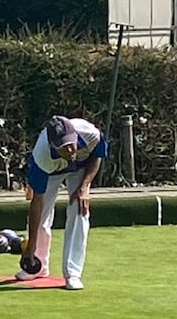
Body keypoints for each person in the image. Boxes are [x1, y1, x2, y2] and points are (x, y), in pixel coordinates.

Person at [16, 115, 108, 290]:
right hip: (52, 172)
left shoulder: (89, 133)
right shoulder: (41, 156)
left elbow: (98, 155)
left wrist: (84, 187)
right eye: (64, 148)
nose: (70, 151)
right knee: (42, 215)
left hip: (80, 168)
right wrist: (30, 248)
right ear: (52, 146)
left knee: (80, 209)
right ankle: (38, 264)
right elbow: (37, 203)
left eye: (71, 144)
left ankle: (73, 273)